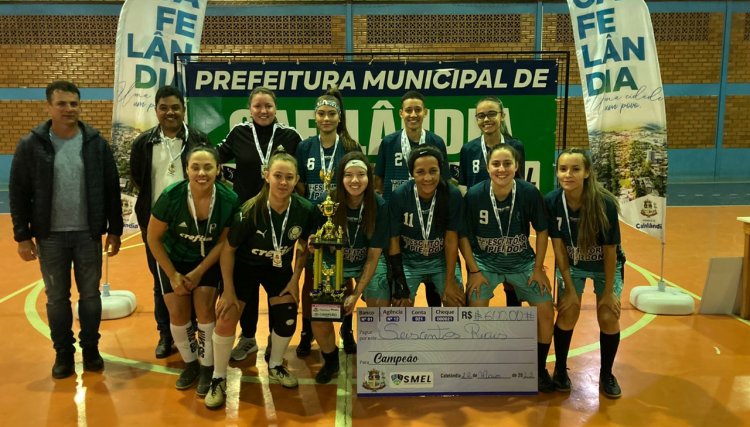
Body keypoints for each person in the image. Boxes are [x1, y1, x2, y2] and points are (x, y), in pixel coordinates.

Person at [9, 80, 123, 379]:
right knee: (57, 299)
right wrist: (22, 236)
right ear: (49, 106)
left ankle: (91, 350)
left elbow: (111, 188)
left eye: (74, 103)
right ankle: (63, 353)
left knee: (90, 297)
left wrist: (115, 229)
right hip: (50, 237)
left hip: (88, 234)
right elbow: (18, 192)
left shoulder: (95, 143)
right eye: (62, 103)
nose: (69, 109)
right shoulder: (31, 145)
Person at [205, 148, 313, 409]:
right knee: (227, 315)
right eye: (278, 175)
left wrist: (295, 279)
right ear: (267, 176)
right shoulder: (248, 211)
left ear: (297, 179)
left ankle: (275, 364)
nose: (284, 182)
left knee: (288, 316)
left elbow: (304, 244)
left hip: (279, 270)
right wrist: (228, 290)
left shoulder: (305, 209)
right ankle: (218, 377)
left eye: (289, 177)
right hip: (246, 267)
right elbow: (228, 250)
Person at [459, 144, 555, 392]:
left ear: (516, 167)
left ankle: (540, 368)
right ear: (488, 167)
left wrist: (538, 268)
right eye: (496, 164)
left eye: (507, 164)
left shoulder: (529, 193)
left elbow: (542, 230)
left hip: (522, 263)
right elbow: (463, 237)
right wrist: (474, 271)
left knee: (545, 308)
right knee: (476, 305)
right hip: (485, 263)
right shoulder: (474, 195)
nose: (501, 169)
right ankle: (476, 364)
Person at [217, 86, 302, 362]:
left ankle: (275, 341)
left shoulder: (290, 136)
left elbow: (299, 175)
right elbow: (214, 157)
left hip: (280, 217)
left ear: (276, 109)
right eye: (257, 106)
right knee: (247, 283)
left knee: (276, 271)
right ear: (249, 109)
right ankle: (249, 337)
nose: (263, 111)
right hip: (247, 218)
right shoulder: (239, 133)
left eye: (268, 106)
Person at [146, 146, 238, 397]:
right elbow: (153, 239)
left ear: (218, 169)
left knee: (206, 309)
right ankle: (190, 365)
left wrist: (199, 272)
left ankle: (207, 367)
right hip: (172, 259)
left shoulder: (229, 199)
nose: (201, 172)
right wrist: (173, 275)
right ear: (186, 170)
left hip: (206, 260)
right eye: (195, 167)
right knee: (177, 312)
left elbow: (223, 242)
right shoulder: (171, 196)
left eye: (208, 167)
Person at [130, 85, 211, 359]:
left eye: (175, 107)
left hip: (195, 226)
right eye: (163, 107)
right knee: (161, 281)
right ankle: (166, 334)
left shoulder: (199, 140)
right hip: (157, 226)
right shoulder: (142, 144)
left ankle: (197, 333)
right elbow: (139, 181)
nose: (170, 112)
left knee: (195, 280)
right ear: (156, 111)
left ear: (183, 110)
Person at [544, 148, 626, 399]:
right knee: (568, 310)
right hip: (573, 265)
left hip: (605, 266)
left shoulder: (605, 203)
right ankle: (559, 370)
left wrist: (609, 292)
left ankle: (606, 374)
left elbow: (611, 252)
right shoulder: (552, 201)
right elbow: (558, 248)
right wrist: (569, 288)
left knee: (608, 316)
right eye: (563, 169)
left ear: (587, 172)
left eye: (575, 169)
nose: (568, 174)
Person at [310, 151, 390, 383]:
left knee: (379, 299)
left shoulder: (380, 206)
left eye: (361, 175)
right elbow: (314, 242)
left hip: (366, 261)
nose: (355, 180)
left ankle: (372, 355)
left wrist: (355, 294)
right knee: (319, 311)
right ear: (340, 178)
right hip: (334, 263)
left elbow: (374, 256)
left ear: (369, 177)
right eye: (348, 175)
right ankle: (331, 359)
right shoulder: (326, 204)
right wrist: (313, 244)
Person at [295, 86, 361, 357]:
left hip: (341, 223)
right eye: (321, 113)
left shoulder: (350, 147)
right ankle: (307, 330)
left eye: (331, 113)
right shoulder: (304, 147)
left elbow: (357, 184)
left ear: (339, 116)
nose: (326, 118)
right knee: (311, 278)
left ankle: (346, 330)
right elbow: (299, 186)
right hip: (312, 223)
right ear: (315, 116)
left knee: (341, 278)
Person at [374, 90, 449, 308]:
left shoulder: (436, 141)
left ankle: (435, 325)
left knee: (435, 287)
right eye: (409, 110)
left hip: (428, 214)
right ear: (401, 113)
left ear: (425, 112)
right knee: (398, 281)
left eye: (418, 110)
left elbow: (442, 179)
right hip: (398, 215)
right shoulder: (388, 142)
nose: (413, 114)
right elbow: (379, 180)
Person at [458, 96, 526, 307]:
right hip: (479, 226)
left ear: (502, 116)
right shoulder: (468, 149)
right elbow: (463, 186)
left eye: (491, 114)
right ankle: (476, 334)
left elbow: (520, 183)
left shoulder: (516, 146)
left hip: (509, 222)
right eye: (481, 115)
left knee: (512, 284)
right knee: (477, 279)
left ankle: (513, 331)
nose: (486, 119)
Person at [387, 146, 464, 308]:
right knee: (401, 305)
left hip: (440, 261)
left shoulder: (452, 194)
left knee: (455, 301)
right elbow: (393, 240)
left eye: (433, 171)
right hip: (410, 262)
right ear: (412, 173)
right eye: (420, 172)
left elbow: (451, 240)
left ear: (440, 171)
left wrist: (450, 283)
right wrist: (399, 280)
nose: (427, 177)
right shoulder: (400, 196)